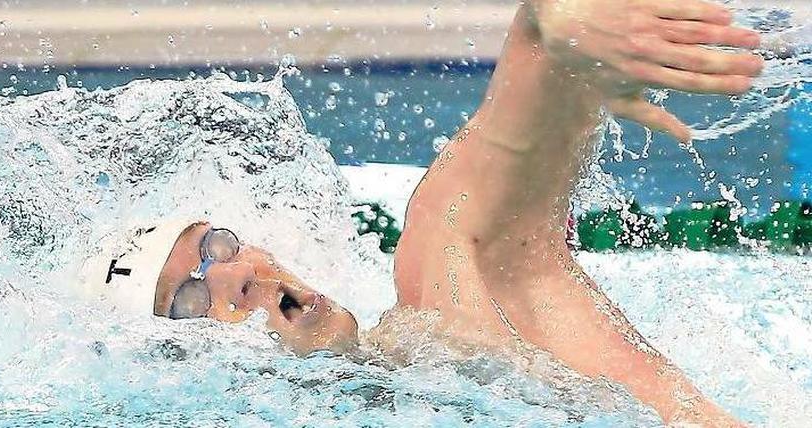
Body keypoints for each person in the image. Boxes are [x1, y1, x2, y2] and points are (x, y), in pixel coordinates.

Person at [73, 0, 764, 425]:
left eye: (217, 249)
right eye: (192, 299)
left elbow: (530, 78)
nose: (236, 279)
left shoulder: (448, 301)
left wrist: (553, 21)